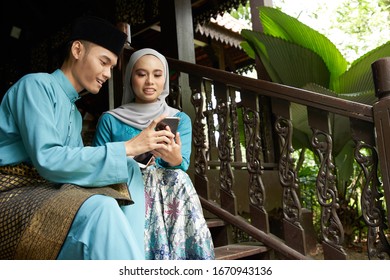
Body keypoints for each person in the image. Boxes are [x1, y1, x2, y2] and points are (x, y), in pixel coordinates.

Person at [0, 16, 175, 260]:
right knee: (100, 208)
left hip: (48, 190)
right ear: (77, 49)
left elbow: (73, 167)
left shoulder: (74, 113)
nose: (107, 74)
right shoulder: (35, 85)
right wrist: (128, 146)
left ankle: (135, 263)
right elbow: (49, 159)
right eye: (103, 62)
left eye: (111, 68)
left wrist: (131, 155)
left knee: (128, 170)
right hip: (12, 192)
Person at [92, 48, 215, 260]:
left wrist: (171, 157)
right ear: (131, 78)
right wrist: (131, 153)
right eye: (141, 74)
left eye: (157, 75)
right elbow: (97, 163)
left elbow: (181, 163)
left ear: (165, 79)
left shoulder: (178, 118)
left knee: (179, 177)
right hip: (126, 188)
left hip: (170, 189)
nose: (150, 81)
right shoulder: (110, 120)